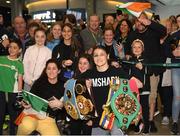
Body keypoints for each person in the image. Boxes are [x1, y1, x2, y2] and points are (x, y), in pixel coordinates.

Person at [77, 46, 142, 135]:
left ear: (107, 56)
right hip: (98, 121)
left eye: (101, 55)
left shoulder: (116, 71)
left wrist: (123, 85)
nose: (99, 58)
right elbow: (68, 84)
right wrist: (82, 83)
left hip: (116, 118)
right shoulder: (89, 73)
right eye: (96, 55)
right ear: (93, 58)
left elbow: (139, 84)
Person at [125, 12, 167, 132]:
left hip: (152, 71)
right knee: (137, 98)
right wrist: (127, 55)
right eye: (137, 21)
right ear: (135, 23)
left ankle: (150, 121)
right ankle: (140, 121)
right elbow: (128, 49)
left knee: (152, 98)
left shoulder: (154, 31)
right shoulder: (132, 35)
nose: (140, 23)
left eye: (142, 20)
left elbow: (164, 31)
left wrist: (150, 22)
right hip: (137, 73)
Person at [17, 58, 64, 135]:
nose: (51, 71)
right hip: (33, 114)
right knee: (26, 126)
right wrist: (26, 103)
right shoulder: (39, 82)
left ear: (59, 71)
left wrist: (61, 105)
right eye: (48, 69)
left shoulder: (64, 85)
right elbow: (30, 98)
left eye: (54, 69)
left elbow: (69, 108)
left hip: (49, 119)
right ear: (45, 71)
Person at [125, 39, 151, 134]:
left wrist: (143, 68)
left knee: (144, 108)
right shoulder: (130, 60)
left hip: (144, 89)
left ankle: (147, 126)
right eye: (134, 47)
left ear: (142, 49)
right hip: (132, 89)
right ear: (131, 49)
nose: (136, 49)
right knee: (134, 107)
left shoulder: (147, 60)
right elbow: (125, 72)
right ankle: (137, 125)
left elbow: (150, 71)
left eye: (139, 47)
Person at [0, 39, 24, 135]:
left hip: (13, 93)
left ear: (19, 50)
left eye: (15, 48)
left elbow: (20, 80)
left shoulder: (19, 64)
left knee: (13, 117)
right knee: (0, 116)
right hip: (1, 92)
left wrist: (19, 96)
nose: (11, 49)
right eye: (10, 47)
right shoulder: (1, 59)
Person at [163, 14, 180, 135]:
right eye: (179, 21)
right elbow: (167, 51)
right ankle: (174, 122)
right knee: (177, 96)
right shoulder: (174, 36)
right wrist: (174, 53)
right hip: (176, 68)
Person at [69, 54, 94, 135]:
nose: (82, 66)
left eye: (85, 63)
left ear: (90, 65)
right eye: (80, 63)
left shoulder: (93, 78)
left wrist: (93, 120)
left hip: (89, 115)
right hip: (76, 114)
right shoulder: (75, 76)